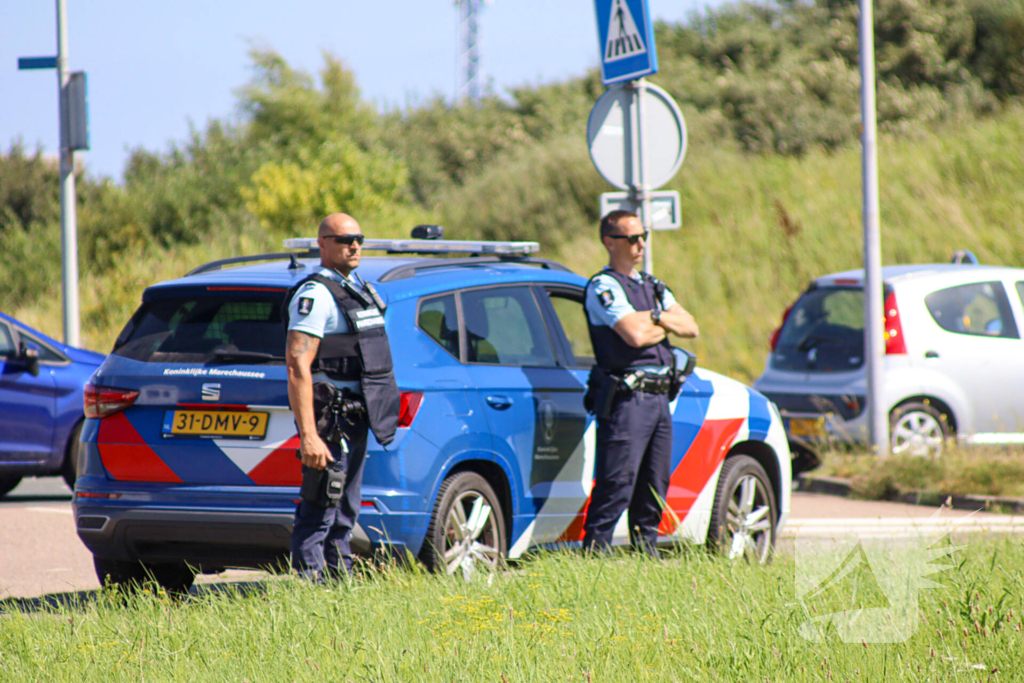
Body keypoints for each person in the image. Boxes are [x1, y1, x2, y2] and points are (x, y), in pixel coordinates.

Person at [284, 213, 400, 580]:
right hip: (329, 419)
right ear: (322, 243)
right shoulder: (316, 294)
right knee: (320, 507)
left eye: (359, 239)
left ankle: (339, 587)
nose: (354, 245)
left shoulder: (356, 287)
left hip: (354, 416)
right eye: (344, 239)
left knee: (345, 509)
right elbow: (297, 367)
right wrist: (309, 436)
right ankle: (310, 592)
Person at [582, 210, 699, 555]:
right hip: (628, 400)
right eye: (632, 238)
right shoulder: (604, 287)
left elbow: (691, 326)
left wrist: (654, 318)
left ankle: (645, 559)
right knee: (617, 484)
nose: (640, 244)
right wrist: (664, 321)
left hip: (660, 400)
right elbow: (633, 336)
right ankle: (593, 560)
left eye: (643, 236)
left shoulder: (653, 285)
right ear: (609, 242)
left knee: (653, 488)